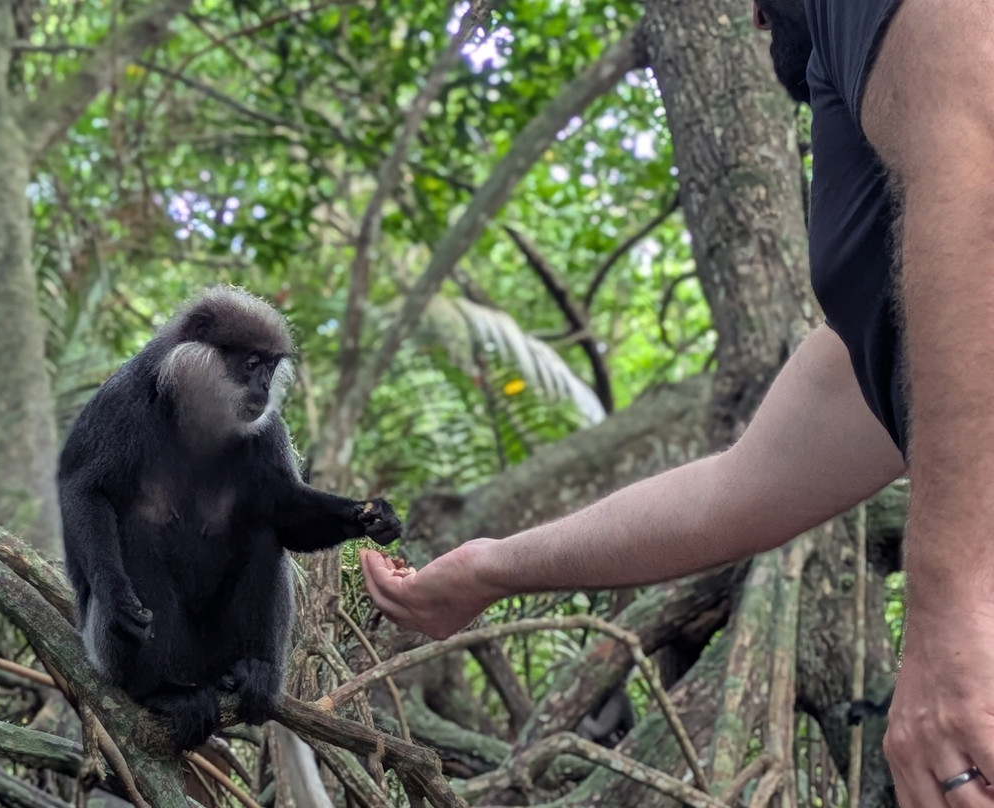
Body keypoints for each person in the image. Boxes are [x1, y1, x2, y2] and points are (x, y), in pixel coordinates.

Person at [361, 1, 994, 805]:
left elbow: (976, 148)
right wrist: (489, 569)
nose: (754, 20)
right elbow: (740, 486)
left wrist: (950, 617)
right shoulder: (909, 321)